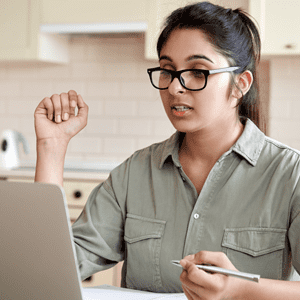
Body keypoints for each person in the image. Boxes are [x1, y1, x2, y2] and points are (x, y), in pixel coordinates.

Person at [34, 2, 300, 299]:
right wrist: (51, 147)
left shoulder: (289, 175)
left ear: (240, 84)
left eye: (198, 71)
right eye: (167, 70)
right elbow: (46, 270)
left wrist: (242, 290)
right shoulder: (134, 174)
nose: (175, 88)